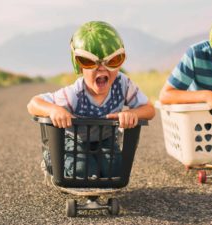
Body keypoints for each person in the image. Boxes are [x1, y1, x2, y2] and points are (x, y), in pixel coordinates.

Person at [27, 21, 155, 183]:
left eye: (113, 61)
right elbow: (33, 104)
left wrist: (132, 113)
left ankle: (96, 164)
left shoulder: (123, 85)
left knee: (115, 171)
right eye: (89, 62)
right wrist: (53, 110)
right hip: (75, 140)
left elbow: (150, 109)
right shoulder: (74, 94)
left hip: (106, 140)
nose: (102, 69)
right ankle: (51, 158)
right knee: (82, 171)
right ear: (79, 66)